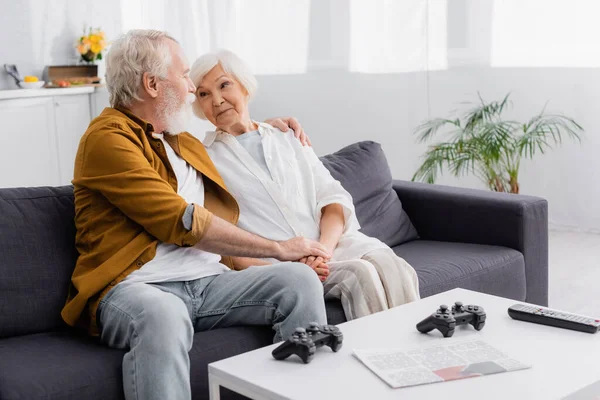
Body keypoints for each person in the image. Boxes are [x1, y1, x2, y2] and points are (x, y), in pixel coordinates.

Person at [61, 30, 331, 400]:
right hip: (134, 289)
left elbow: (232, 140)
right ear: (152, 83)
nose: (191, 88)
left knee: (298, 281)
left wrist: (267, 129)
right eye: (186, 75)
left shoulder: (181, 140)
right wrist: (279, 248)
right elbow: (181, 219)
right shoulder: (106, 139)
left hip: (208, 284)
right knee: (164, 315)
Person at [189, 49, 421, 321]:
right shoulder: (202, 159)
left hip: (331, 245)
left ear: (244, 85)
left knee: (395, 266)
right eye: (204, 94)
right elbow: (221, 241)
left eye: (224, 84)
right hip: (278, 264)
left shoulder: (286, 136)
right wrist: (297, 269)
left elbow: (332, 198)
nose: (216, 100)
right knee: (361, 276)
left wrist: (322, 251)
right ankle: (378, 360)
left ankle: (416, 359)